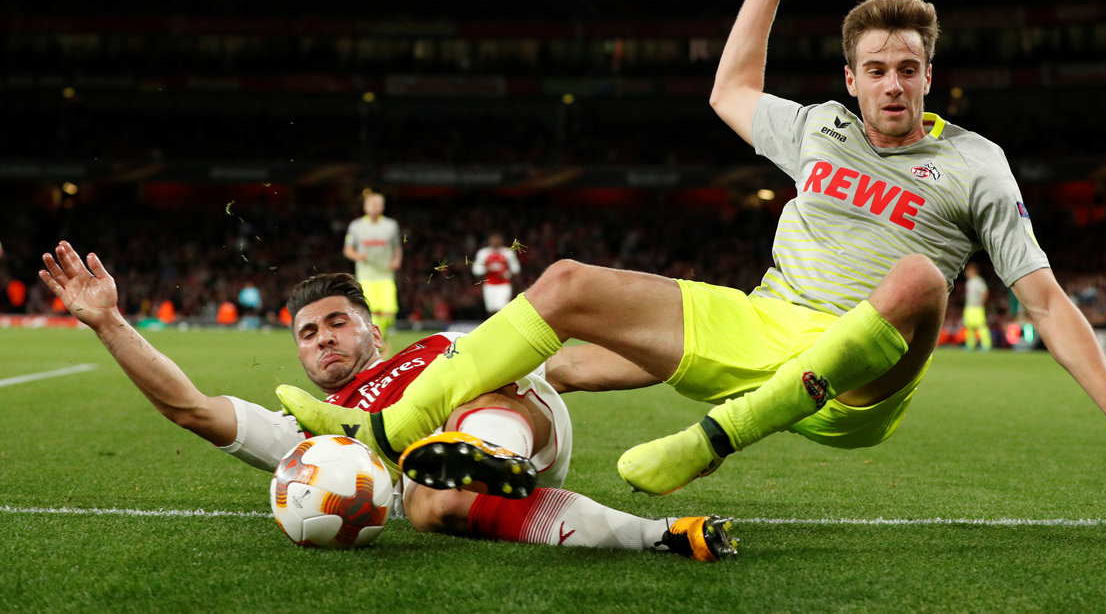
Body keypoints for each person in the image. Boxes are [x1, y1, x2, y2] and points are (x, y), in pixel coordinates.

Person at [278, 0, 1106, 500]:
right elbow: (731, 90)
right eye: (877, 70)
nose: (894, 84)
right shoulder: (819, 129)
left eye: (909, 68)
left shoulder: (976, 162)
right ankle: (387, 428)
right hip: (764, 324)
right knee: (564, 284)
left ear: (930, 75)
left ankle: (710, 441)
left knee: (919, 277)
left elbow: (1045, 298)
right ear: (852, 78)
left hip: (863, 378)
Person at [38, 241, 736, 561]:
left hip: (523, 422)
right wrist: (109, 322)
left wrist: (694, 365)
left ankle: (484, 450)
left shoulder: (439, 344)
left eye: (338, 322)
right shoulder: (313, 437)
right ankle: (659, 535)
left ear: (374, 331)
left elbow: (574, 366)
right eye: (308, 333)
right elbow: (191, 407)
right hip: (450, 489)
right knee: (430, 505)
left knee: (468, 382)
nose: (323, 338)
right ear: (299, 355)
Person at [343, 191, 402, 340]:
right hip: (366, 275)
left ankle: (380, 337)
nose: (374, 207)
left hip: (385, 274)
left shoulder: (391, 225)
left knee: (389, 311)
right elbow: (347, 250)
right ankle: (376, 342)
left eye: (378, 204)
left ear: (383, 207)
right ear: (365, 206)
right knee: (372, 310)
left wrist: (396, 260)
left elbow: (397, 247)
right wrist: (357, 256)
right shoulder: (356, 226)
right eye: (371, 204)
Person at [472, 232, 522, 316]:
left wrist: (507, 274)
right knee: (490, 309)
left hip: (503, 285)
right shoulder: (483, 253)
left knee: (502, 308)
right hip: (489, 284)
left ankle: (502, 324)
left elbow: (516, 269)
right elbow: (476, 270)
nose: (495, 241)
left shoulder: (508, 252)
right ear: (489, 241)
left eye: (497, 239)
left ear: (501, 241)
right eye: (493, 239)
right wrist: (486, 269)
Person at [961, 263, 992, 351]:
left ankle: (986, 345)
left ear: (973, 271)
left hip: (977, 307)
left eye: (968, 271)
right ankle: (970, 344)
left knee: (981, 326)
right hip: (969, 307)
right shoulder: (969, 282)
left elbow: (985, 292)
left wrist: (981, 303)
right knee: (969, 327)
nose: (966, 273)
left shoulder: (979, 281)